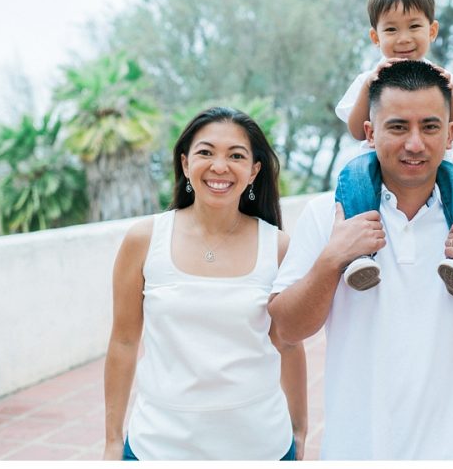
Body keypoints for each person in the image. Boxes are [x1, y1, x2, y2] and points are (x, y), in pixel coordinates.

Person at [268, 60, 453, 460]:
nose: (414, 143)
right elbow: (286, 329)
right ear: (370, 133)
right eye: (397, 127)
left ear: (450, 134)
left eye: (429, 127)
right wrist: (331, 261)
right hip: (355, 453)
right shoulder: (329, 215)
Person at [103, 107, 307, 461]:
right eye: (206, 152)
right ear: (185, 164)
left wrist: (300, 427)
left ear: (253, 171)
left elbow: (288, 345)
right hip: (159, 446)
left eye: (236, 156)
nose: (219, 166)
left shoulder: (277, 246)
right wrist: (111, 441)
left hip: (260, 446)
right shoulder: (143, 239)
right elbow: (123, 341)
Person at [334, 0, 453, 302]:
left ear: (431, 30)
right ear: (375, 37)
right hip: (379, 162)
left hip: (431, 166)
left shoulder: (441, 78)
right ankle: (361, 258)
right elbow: (357, 130)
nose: (403, 39)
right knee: (353, 177)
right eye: (391, 30)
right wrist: (366, 89)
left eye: (413, 26)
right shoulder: (369, 78)